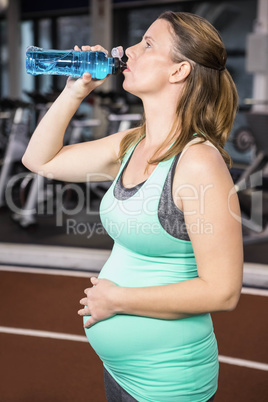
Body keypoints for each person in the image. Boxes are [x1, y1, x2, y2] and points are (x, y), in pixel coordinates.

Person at [22, 11, 243, 402]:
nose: (128, 51)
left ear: (179, 72)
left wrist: (119, 299)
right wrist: (75, 90)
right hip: (121, 374)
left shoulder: (198, 163)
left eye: (147, 44)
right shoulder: (130, 144)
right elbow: (40, 160)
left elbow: (222, 292)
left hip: (170, 383)